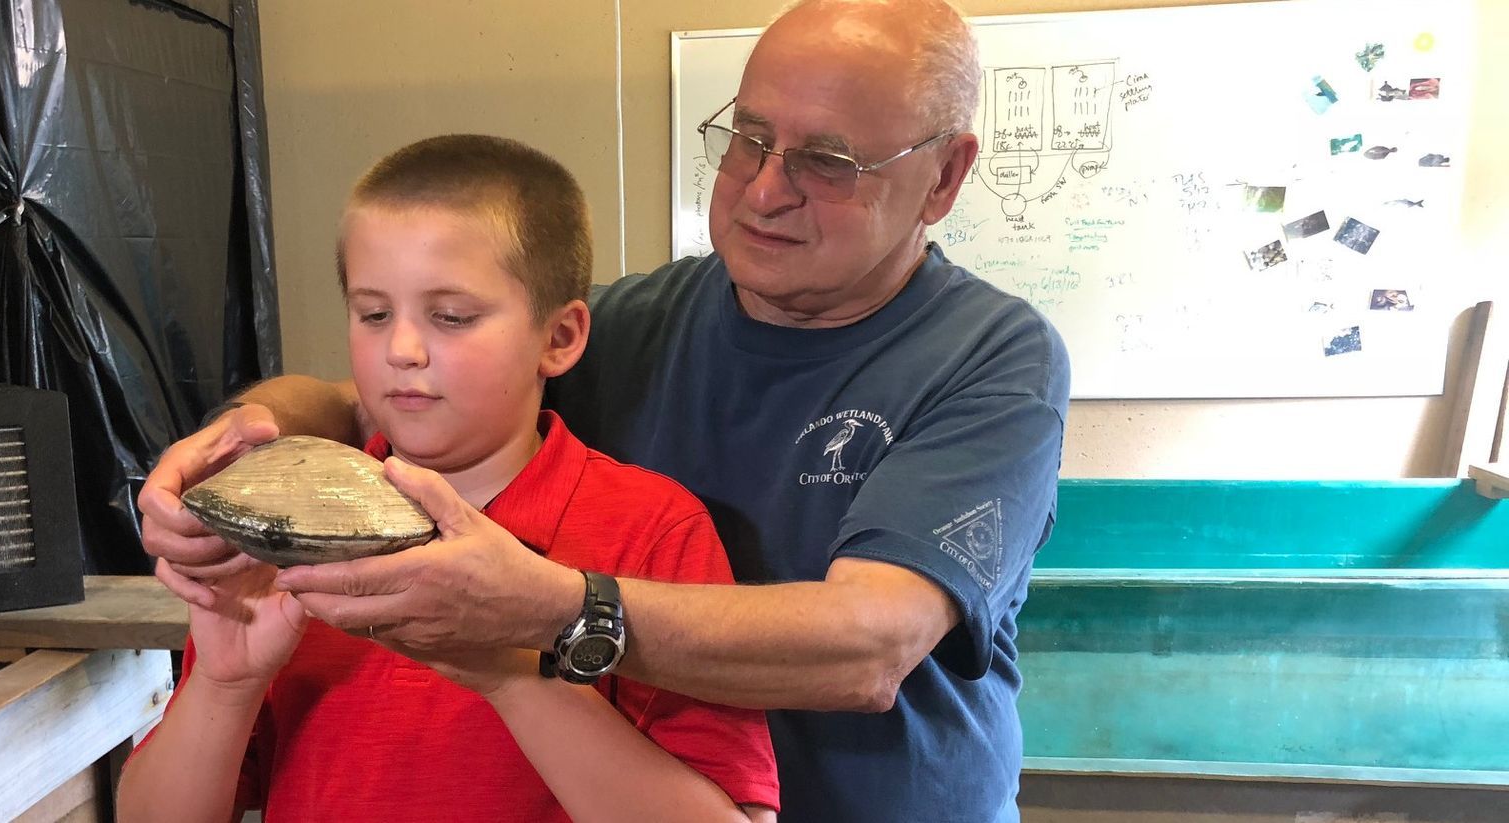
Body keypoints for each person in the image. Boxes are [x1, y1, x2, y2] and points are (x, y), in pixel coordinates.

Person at [139, 1, 1071, 820]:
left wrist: (537, 622)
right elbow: (371, 398)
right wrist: (238, 447)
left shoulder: (992, 359)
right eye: (748, 138)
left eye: (826, 162)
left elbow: (869, 649)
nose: (764, 188)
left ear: (945, 177)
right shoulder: (637, 322)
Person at [117, 135, 779, 822]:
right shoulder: (287, 527)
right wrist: (226, 682)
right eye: (373, 314)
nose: (401, 350)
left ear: (560, 338)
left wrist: (509, 672)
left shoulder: (649, 530)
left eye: (451, 317)